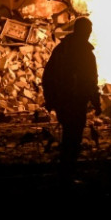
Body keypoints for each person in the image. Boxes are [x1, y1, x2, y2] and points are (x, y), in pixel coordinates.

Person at [41, 16, 102, 183]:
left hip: (63, 101)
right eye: (88, 31)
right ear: (84, 31)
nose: (89, 34)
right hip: (75, 101)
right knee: (73, 138)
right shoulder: (84, 53)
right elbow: (91, 80)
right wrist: (96, 101)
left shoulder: (62, 49)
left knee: (70, 136)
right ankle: (67, 175)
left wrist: (50, 99)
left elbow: (48, 76)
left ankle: (65, 172)